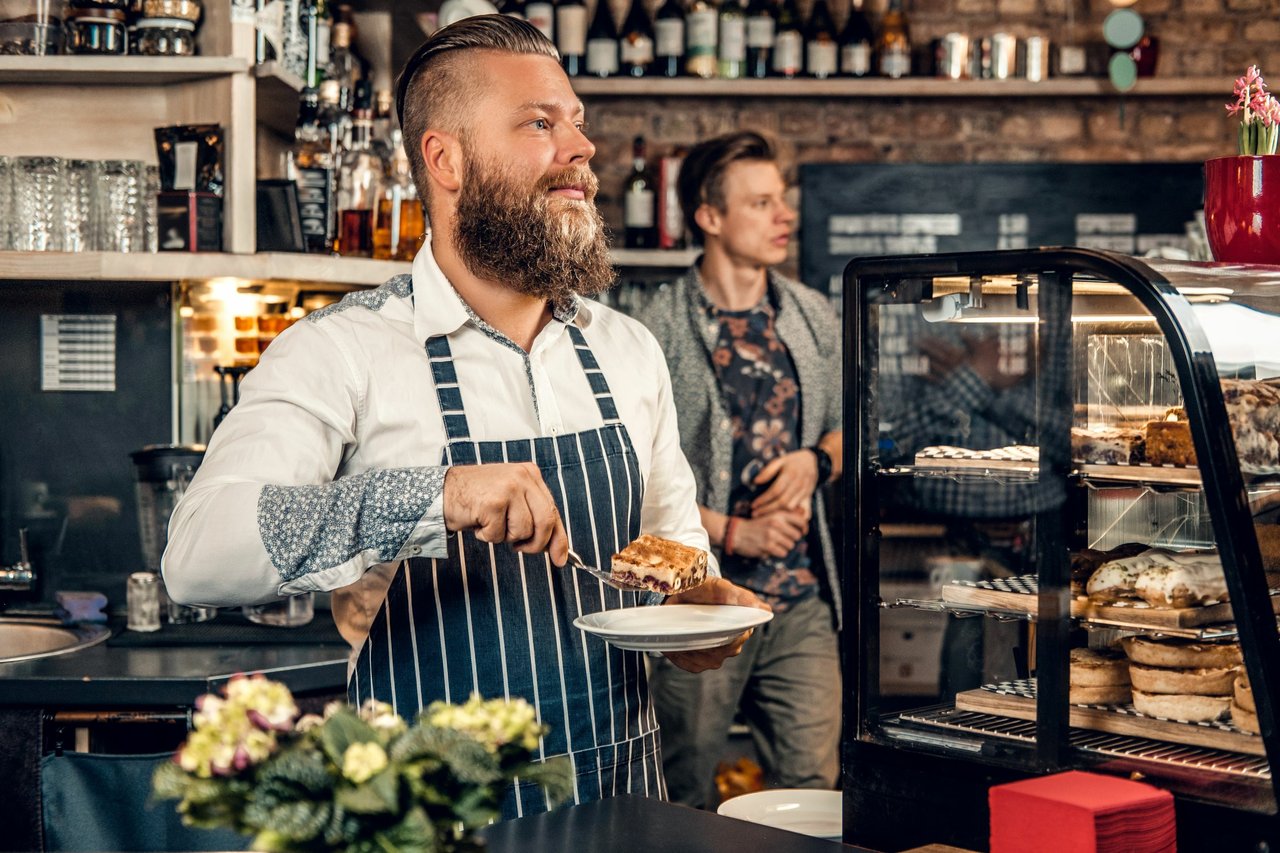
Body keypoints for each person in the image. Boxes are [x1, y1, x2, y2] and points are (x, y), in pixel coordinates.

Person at [161, 15, 766, 820]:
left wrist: (705, 618)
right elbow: (198, 553)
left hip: (619, 800)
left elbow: (676, 554)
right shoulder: (342, 349)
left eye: (577, 123)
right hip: (432, 817)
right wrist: (433, 497)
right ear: (445, 159)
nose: (581, 149)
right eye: (540, 124)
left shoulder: (628, 349)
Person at [630, 131, 843, 809]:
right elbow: (631, 472)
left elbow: (855, 422)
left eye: (781, 200)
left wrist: (817, 460)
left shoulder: (811, 312)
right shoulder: (652, 327)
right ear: (710, 217)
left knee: (812, 788)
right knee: (681, 786)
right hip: (697, 600)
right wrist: (735, 533)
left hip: (801, 596)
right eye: (760, 202)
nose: (783, 215)